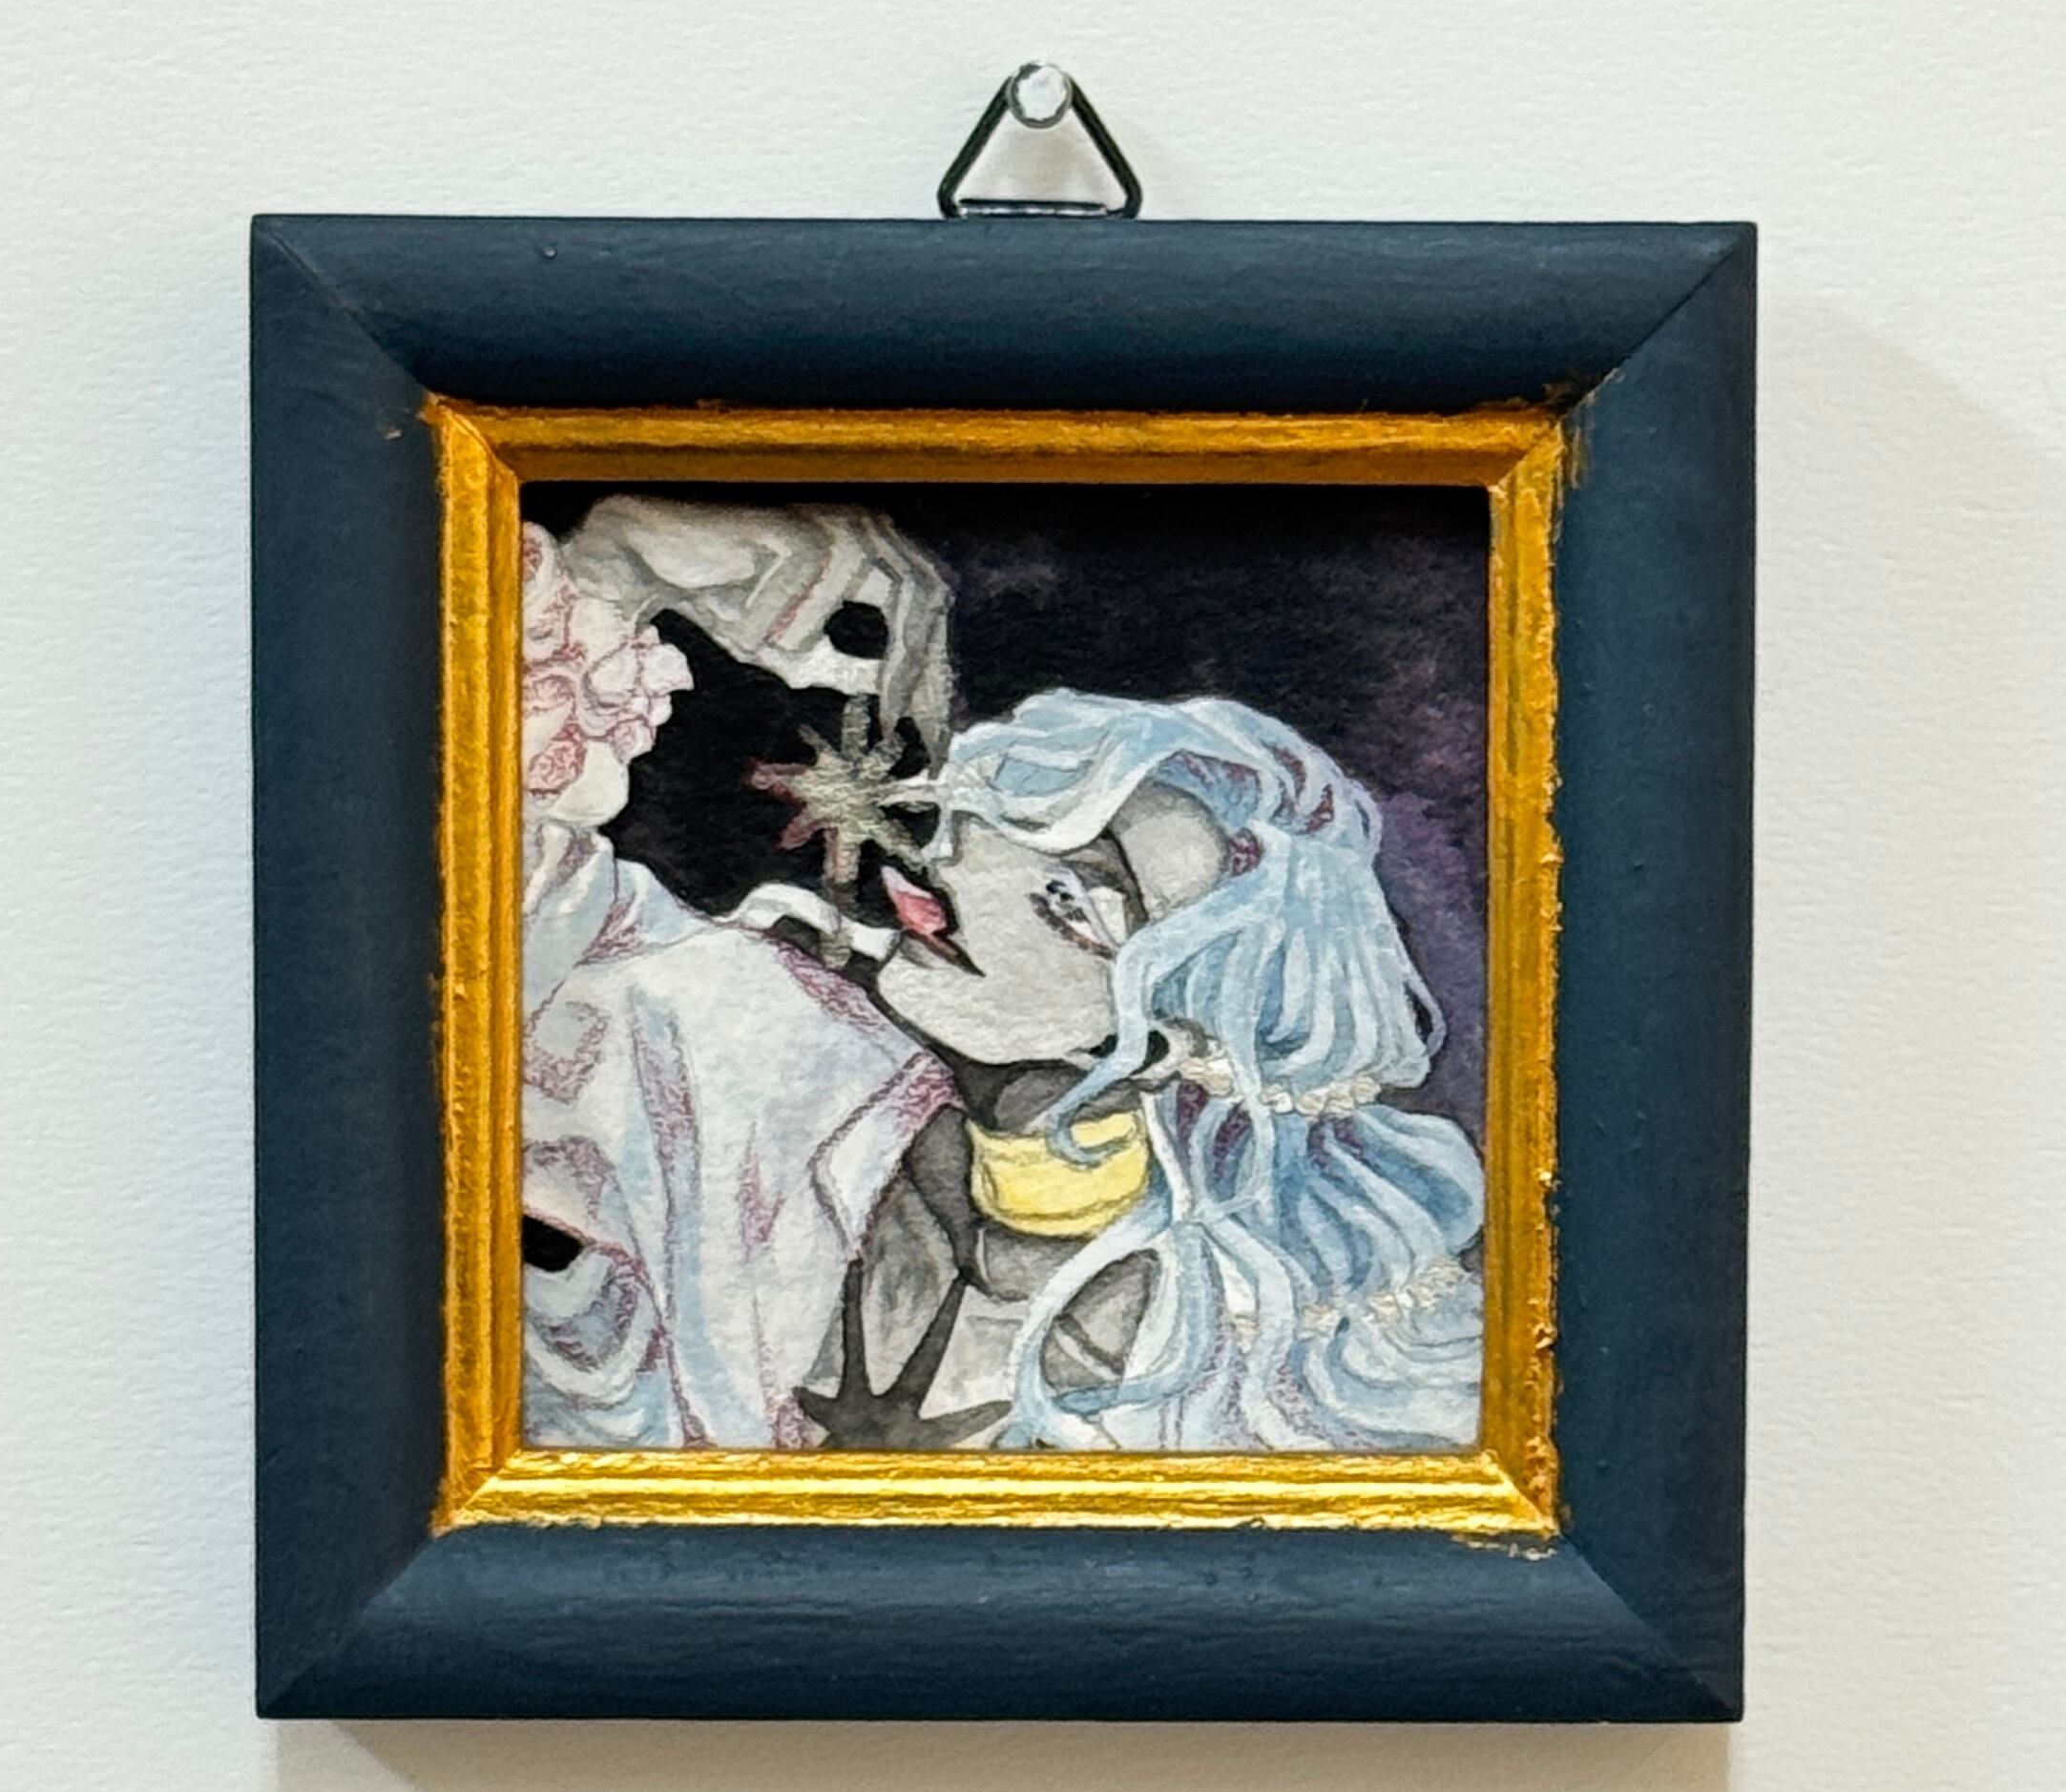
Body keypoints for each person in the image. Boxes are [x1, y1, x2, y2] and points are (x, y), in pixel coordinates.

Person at [516, 497, 1485, 1454]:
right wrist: (611, 578)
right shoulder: (740, 1048)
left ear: (1176, 1039)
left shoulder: (1248, 1353)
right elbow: (494, 929)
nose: (952, 864)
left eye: (1078, 899)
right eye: (1002, 824)